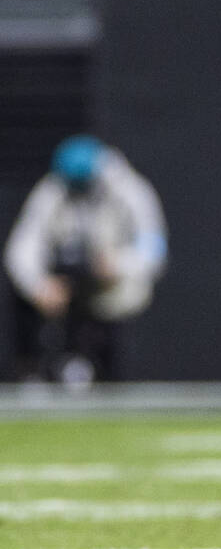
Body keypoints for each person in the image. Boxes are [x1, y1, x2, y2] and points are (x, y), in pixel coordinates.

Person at [4, 134, 167, 384]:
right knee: (23, 299)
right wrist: (39, 286)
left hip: (113, 286)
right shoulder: (54, 189)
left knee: (120, 305)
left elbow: (154, 249)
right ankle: (36, 373)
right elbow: (22, 247)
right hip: (64, 286)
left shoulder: (130, 190)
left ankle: (107, 372)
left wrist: (117, 265)